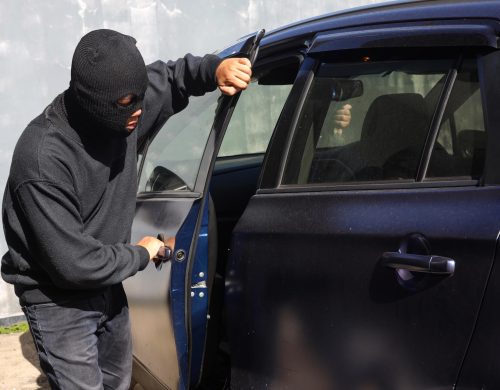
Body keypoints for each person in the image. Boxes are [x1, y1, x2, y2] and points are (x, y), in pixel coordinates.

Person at [1, 29, 251, 389]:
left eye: (140, 98)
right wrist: (140, 253)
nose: (138, 110)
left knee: (119, 382)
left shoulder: (126, 102)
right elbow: (74, 265)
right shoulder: (43, 160)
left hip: (107, 285)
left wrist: (215, 70)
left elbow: (173, 77)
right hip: (58, 300)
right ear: (94, 101)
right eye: (127, 102)